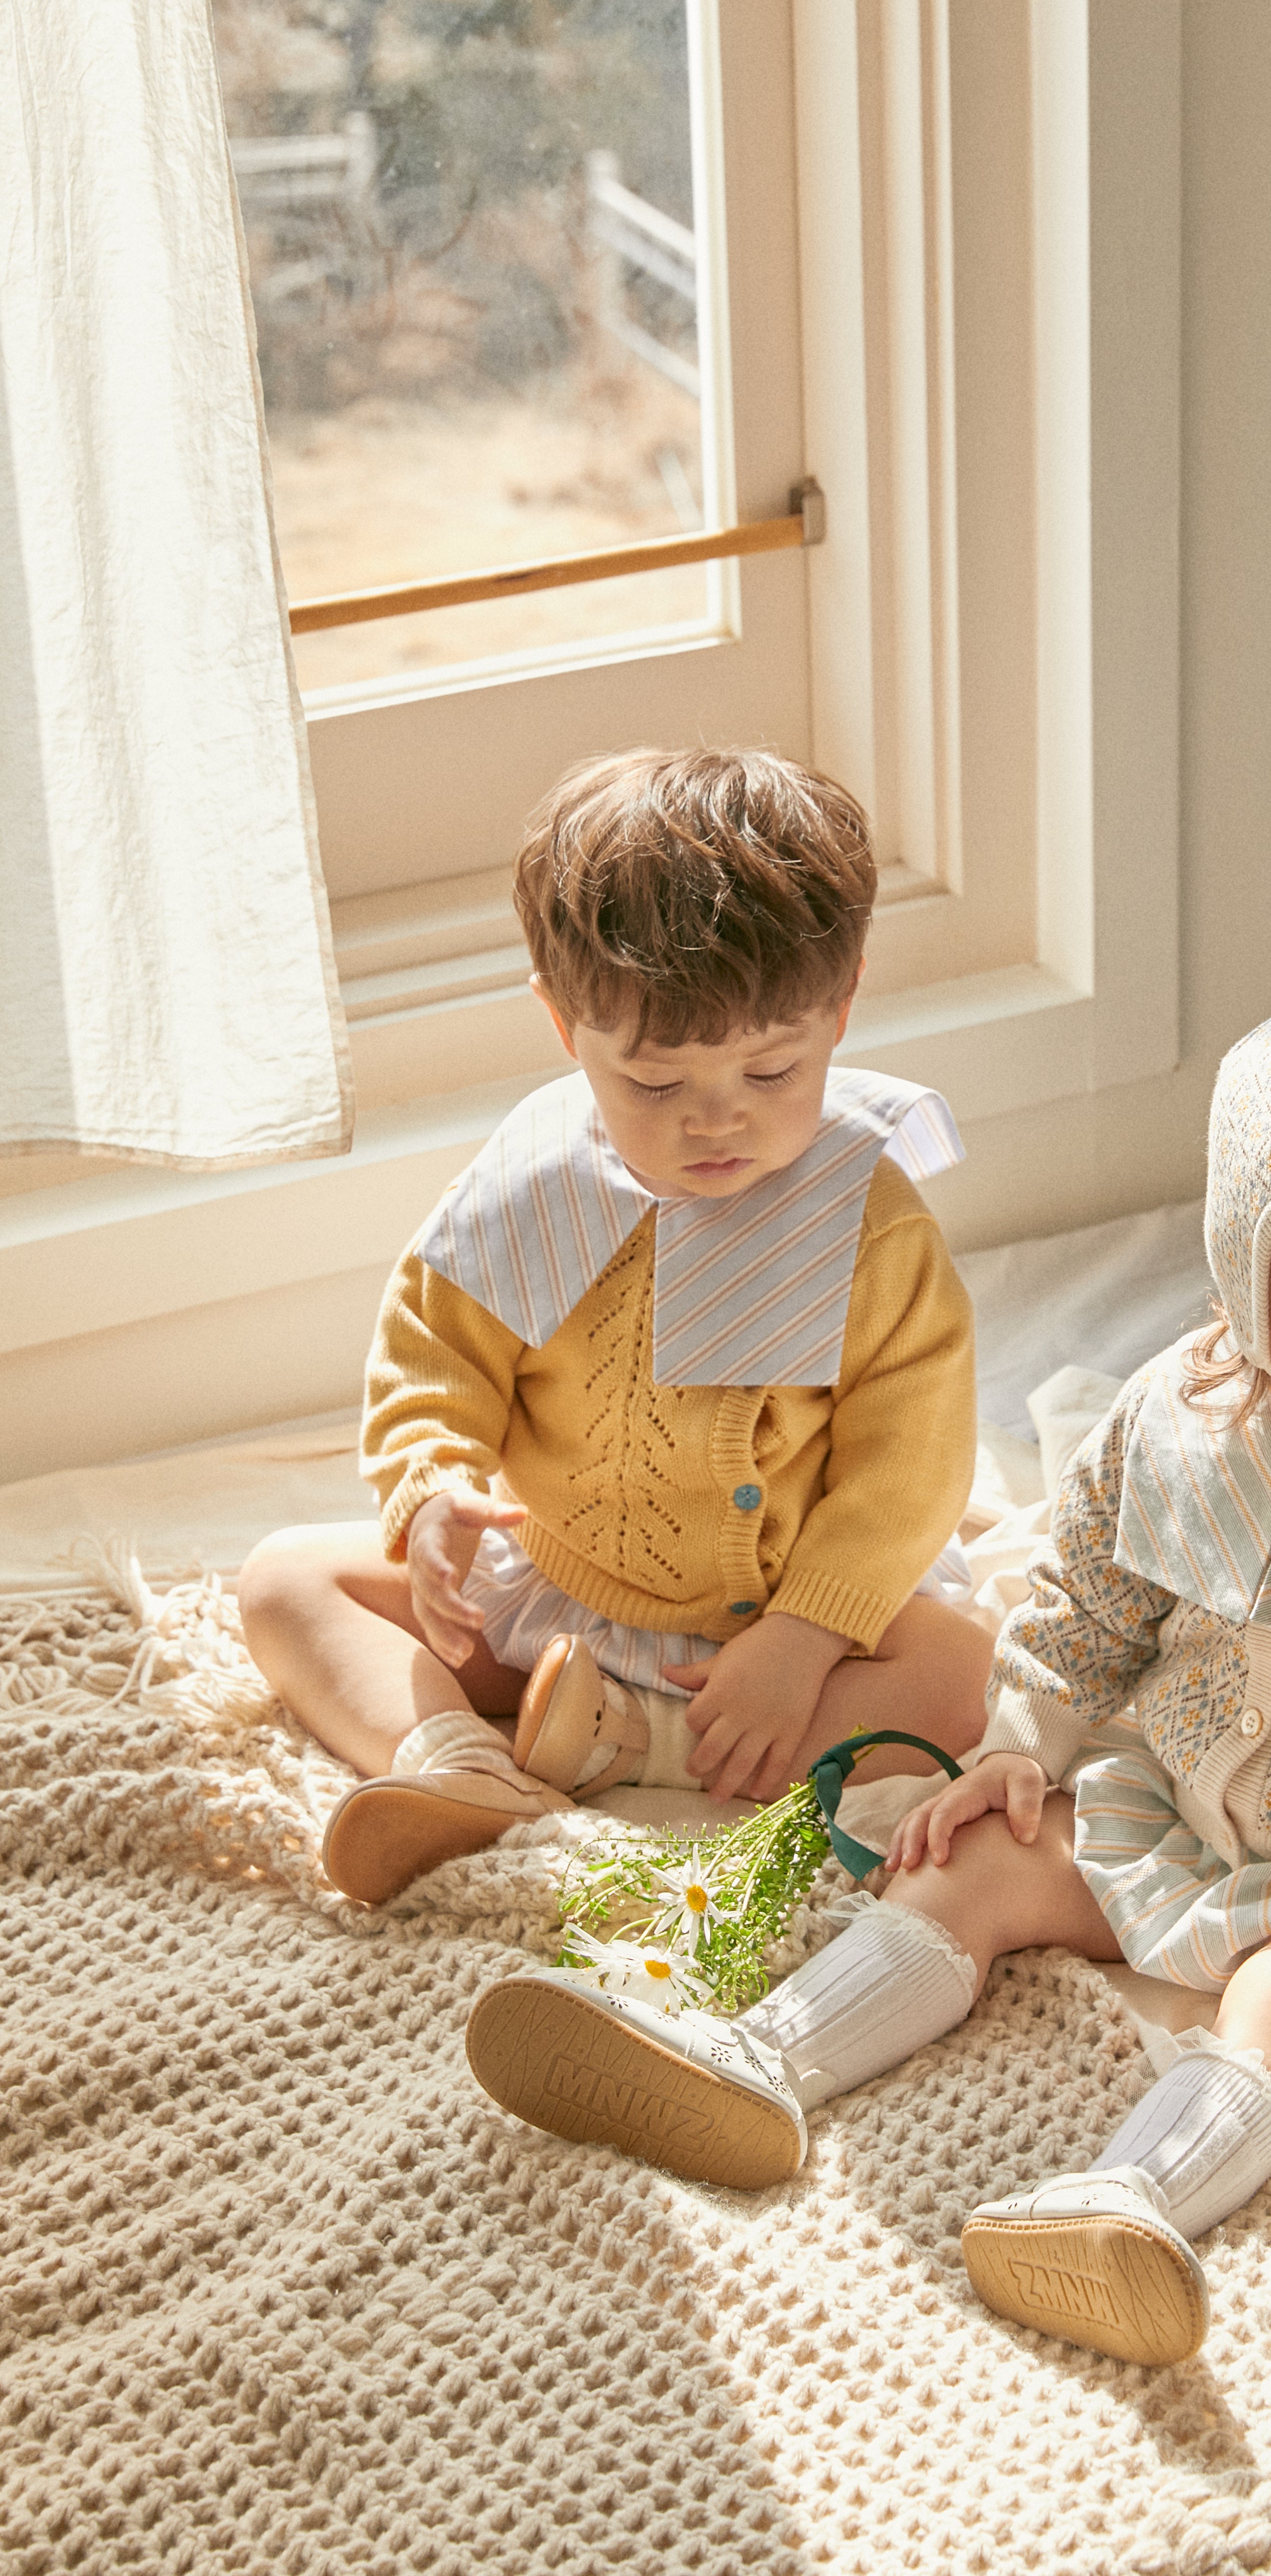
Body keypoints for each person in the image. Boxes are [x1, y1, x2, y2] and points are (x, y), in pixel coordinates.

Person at [463, 981, 1271, 2366]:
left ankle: (1128, 2203)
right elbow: (1084, 1597)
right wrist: (1022, 1742)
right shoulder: (1178, 1422)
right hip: (1179, 1806)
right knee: (968, 1861)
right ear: (1240, 1286)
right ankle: (763, 2062)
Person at [239, 746, 990, 1905]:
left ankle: (643, 1747)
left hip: (796, 1611)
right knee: (286, 1582)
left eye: (774, 1068)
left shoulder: (867, 1225)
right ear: (563, 1025)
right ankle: (453, 1764)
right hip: (564, 1588)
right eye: (653, 1084)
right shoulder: (533, 1184)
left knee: (956, 1673)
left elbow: (915, 1458)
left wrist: (805, 1637)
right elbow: (432, 1358)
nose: (717, 1120)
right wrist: (431, 1490)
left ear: (840, 1012)